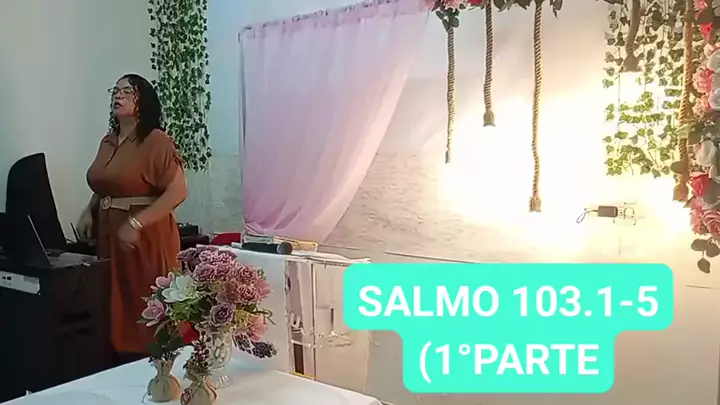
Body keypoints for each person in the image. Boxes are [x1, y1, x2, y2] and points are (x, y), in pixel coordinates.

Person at [76, 73, 188, 363]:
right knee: (117, 299)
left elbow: (178, 191)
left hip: (145, 236)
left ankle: (159, 368)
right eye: (116, 90)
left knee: (145, 301)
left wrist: (137, 223)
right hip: (111, 234)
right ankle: (121, 365)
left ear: (143, 100)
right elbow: (107, 183)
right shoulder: (108, 141)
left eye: (127, 91)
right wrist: (89, 210)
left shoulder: (156, 140)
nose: (119, 95)